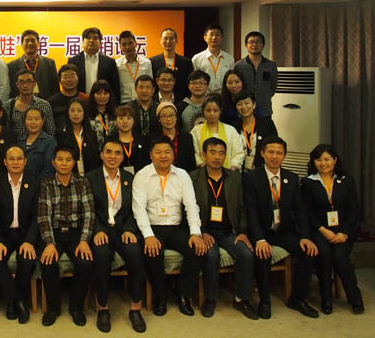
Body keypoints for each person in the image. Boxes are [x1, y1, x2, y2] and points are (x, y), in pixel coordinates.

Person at [244, 136, 319, 319]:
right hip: (262, 231)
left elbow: (300, 210)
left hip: (284, 231)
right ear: (262, 153)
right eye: (271, 152)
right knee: (262, 254)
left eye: (279, 153)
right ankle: (264, 301)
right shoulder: (251, 177)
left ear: (284, 156)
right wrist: (259, 239)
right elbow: (250, 211)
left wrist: (305, 236)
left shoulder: (291, 178)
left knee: (307, 251)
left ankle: (298, 298)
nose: (275, 156)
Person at [132, 136, 206, 317]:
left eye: (167, 152)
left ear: (173, 155)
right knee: (152, 253)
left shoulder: (182, 175)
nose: (163, 156)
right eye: (158, 152)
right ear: (151, 155)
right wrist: (148, 236)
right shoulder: (142, 175)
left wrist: (195, 233)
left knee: (197, 249)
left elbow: (191, 205)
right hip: (153, 226)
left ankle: (183, 294)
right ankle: (160, 297)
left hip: (176, 227)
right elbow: (138, 208)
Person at [190, 138, 257, 320]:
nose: (217, 157)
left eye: (221, 153)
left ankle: (242, 298)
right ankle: (210, 299)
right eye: (212, 152)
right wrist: (200, 232)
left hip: (229, 231)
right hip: (206, 231)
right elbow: (188, 208)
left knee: (246, 254)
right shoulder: (193, 177)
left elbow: (243, 208)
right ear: (204, 154)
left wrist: (243, 232)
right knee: (211, 256)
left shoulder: (235, 177)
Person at [88, 138, 146, 333]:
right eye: (109, 152)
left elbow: (136, 208)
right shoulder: (91, 178)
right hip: (101, 229)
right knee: (101, 255)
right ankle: (102, 307)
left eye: (117, 153)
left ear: (122, 157)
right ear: (101, 155)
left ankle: (136, 307)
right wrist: (97, 230)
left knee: (135, 253)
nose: (112, 156)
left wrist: (130, 228)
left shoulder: (131, 178)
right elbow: (88, 209)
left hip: (123, 229)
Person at [302, 144, 364, 314]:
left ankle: (355, 299)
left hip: (344, 231)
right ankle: (326, 299)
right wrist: (324, 230)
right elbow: (307, 212)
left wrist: (345, 233)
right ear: (313, 162)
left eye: (327, 159)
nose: (323, 163)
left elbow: (354, 211)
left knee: (340, 257)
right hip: (320, 230)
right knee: (324, 256)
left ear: (335, 160)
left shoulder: (346, 181)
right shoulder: (308, 182)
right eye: (319, 159)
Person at [37, 146, 95, 327]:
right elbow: (43, 216)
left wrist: (84, 240)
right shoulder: (46, 183)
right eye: (60, 159)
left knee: (85, 262)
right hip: (53, 233)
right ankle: (53, 308)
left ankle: (76, 308)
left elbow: (89, 214)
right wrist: (49, 243)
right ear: (53, 162)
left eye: (68, 160)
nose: (64, 163)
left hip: (76, 233)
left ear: (74, 163)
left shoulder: (82, 182)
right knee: (48, 262)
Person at [0, 145, 39, 324]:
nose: (15, 162)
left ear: (25, 161)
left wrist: (30, 241)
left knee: (28, 259)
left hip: (24, 234)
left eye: (19, 159)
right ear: (5, 162)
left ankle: (13, 301)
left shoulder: (34, 183)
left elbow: (36, 217)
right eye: (11, 159)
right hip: (4, 234)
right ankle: (17, 301)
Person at [191, 95, 245, 170]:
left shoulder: (230, 130)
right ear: (203, 111)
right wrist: (202, 166)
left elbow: (238, 153)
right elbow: (194, 153)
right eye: (208, 110)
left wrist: (232, 169)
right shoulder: (196, 130)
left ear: (220, 111)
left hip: (228, 172)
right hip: (203, 172)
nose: (212, 114)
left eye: (215, 110)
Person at [67, 27, 121, 102]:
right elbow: (70, 85)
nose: (91, 41)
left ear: (100, 43)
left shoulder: (110, 62)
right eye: (88, 38)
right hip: (79, 103)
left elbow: (115, 87)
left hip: (102, 103)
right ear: (83, 41)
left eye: (95, 38)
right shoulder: (73, 61)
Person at [234, 31, 278, 119]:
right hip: (244, 110)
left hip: (264, 110)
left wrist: (264, 96)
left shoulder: (271, 65)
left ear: (263, 45)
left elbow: (272, 87)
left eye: (258, 42)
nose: (254, 44)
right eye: (251, 42)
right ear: (246, 45)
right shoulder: (238, 66)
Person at [7, 29, 59, 100]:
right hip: (22, 103)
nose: (30, 43)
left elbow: (55, 88)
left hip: (46, 102)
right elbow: (12, 90)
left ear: (38, 43)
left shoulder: (50, 63)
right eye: (27, 41)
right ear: (21, 44)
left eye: (33, 40)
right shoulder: (12, 66)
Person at [233, 91, 278, 170]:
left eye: (247, 103)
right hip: (239, 171)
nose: (243, 107)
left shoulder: (267, 124)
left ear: (254, 104)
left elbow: (275, 147)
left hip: (262, 170)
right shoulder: (233, 127)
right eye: (239, 104)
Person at [6, 70, 56, 141]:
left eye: (29, 81)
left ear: (34, 83)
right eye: (21, 82)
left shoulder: (44, 105)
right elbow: (6, 130)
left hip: (39, 146)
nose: (25, 85)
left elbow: (51, 131)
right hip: (15, 145)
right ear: (17, 84)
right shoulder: (9, 105)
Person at [56, 97, 101, 176]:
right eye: (72, 110)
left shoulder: (91, 134)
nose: (76, 114)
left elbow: (95, 159)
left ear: (84, 112)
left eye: (79, 110)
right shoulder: (60, 134)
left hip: (90, 175)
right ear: (67, 112)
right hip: (69, 176)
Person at [147, 102, 197, 172]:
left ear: (176, 117)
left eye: (171, 115)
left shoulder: (187, 137)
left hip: (182, 176)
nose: (168, 119)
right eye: (164, 116)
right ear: (159, 119)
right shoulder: (152, 139)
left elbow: (191, 164)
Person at [149, 28, 193, 100]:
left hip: (181, 100)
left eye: (171, 38)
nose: (168, 41)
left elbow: (189, 84)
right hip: (158, 101)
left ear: (176, 41)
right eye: (165, 38)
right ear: (160, 41)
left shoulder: (186, 62)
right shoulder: (152, 62)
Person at [192, 24, 235, 94]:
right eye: (211, 34)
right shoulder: (197, 59)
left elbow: (232, 79)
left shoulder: (229, 58)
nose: (214, 37)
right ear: (205, 38)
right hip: (204, 97)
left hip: (225, 97)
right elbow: (194, 81)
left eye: (217, 35)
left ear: (222, 38)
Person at [19, 107, 57, 182]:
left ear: (42, 121)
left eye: (36, 119)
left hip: (41, 184)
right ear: (24, 121)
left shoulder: (49, 142)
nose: (33, 122)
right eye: (29, 119)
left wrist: (35, 184)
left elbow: (49, 168)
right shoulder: (19, 141)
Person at [116, 30, 152, 104]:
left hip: (142, 102)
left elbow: (150, 85)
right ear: (120, 47)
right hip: (123, 103)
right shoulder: (116, 64)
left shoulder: (146, 63)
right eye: (124, 44)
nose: (128, 47)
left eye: (130, 43)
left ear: (136, 43)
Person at [112, 105, 141, 174]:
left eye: (129, 118)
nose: (125, 122)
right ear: (116, 121)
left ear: (133, 121)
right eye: (121, 118)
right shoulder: (111, 140)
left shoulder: (141, 140)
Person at [88, 79, 117, 149]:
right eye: (98, 93)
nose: (102, 97)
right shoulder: (88, 114)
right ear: (93, 95)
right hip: (93, 150)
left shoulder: (115, 114)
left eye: (105, 93)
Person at [129, 75, 159, 139]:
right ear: (135, 89)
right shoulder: (128, 108)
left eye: (148, 87)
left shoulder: (159, 108)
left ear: (153, 90)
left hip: (155, 143)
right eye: (141, 87)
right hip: (133, 143)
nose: (144, 91)